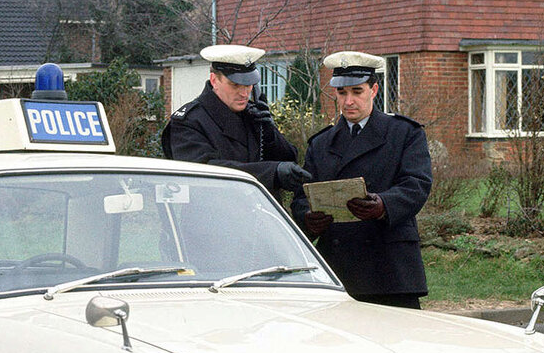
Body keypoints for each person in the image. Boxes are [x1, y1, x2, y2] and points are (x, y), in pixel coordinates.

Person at [291, 51, 432, 309]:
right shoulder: (321, 144)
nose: (349, 101)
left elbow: (417, 184)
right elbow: (302, 199)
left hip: (390, 268)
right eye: (342, 93)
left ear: (374, 89)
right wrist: (309, 220)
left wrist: (383, 205)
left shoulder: (403, 133)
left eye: (357, 91)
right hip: (338, 268)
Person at [161, 44, 311, 195]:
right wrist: (271, 172)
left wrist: (269, 134)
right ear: (214, 80)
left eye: (249, 85)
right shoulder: (189, 121)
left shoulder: (253, 114)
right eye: (235, 85)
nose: (244, 93)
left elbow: (289, 160)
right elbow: (205, 172)